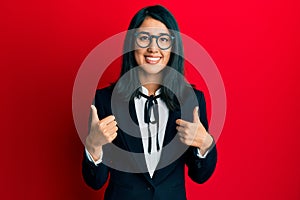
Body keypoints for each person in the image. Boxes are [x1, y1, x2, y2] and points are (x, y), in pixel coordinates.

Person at [82, 5, 217, 200]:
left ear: (173, 46)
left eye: (163, 39)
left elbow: (200, 175)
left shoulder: (191, 101)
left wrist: (205, 143)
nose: (153, 48)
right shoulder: (104, 100)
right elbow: (95, 182)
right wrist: (93, 146)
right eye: (144, 38)